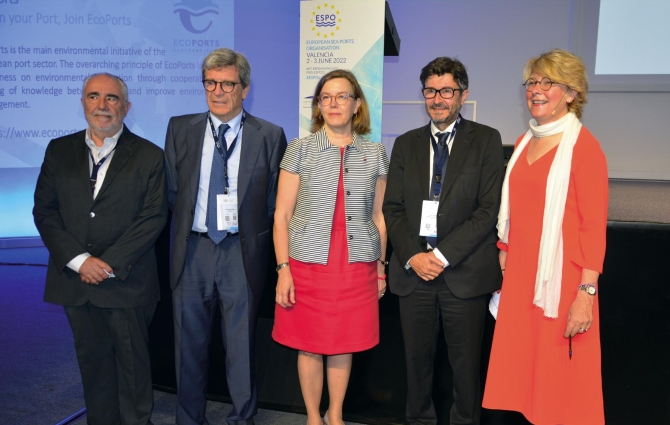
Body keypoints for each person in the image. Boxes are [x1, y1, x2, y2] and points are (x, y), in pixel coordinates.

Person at [482, 49, 609, 425]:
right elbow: (515, 210)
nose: (537, 90)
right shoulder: (524, 143)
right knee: (523, 383)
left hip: (561, 284)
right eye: (532, 82)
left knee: (561, 386)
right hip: (521, 279)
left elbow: (592, 227)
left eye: (548, 82)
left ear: (571, 93)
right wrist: (503, 253)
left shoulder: (585, 149)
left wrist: (586, 295)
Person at [33, 72, 167, 425]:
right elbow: (45, 211)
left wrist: (105, 264)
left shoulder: (151, 156)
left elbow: (153, 218)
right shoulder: (58, 150)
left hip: (126, 282)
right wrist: (81, 262)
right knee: (92, 366)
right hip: (76, 281)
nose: (102, 105)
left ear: (126, 107)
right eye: (94, 96)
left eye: (111, 98)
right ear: (83, 103)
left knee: (133, 368)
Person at [164, 47, 287, 425]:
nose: (218, 91)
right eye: (210, 83)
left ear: (244, 88)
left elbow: (272, 202)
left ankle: (242, 418)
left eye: (227, 84)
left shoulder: (269, 134)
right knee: (188, 346)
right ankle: (189, 419)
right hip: (194, 250)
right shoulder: (179, 128)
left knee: (241, 348)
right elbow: (173, 191)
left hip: (240, 251)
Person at [383, 57, 504, 425]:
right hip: (413, 273)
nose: (438, 99)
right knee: (416, 367)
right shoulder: (405, 144)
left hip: (463, 275)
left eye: (446, 91)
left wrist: (440, 255)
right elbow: (394, 208)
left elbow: (487, 211)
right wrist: (414, 257)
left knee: (465, 371)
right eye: (431, 91)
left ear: (462, 95)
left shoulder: (485, 140)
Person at [272, 69, 388, 425]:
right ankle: (312, 417)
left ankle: (334, 415)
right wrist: (283, 270)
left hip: (357, 265)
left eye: (342, 96)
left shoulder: (376, 152)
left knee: (344, 341)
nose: (334, 103)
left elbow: (379, 216)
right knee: (309, 342)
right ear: (319, 106)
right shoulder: (299, 149)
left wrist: (381, 268)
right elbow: (282, 215)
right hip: (307, 264)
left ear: (356, 105)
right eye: (326, 97)